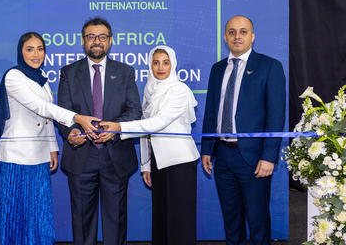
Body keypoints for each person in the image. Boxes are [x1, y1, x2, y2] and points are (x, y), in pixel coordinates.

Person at [0, 32, 99, 245]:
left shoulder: (41, 77)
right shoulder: (13, 76)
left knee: (38, 211)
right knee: (16, 213)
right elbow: (40, 107)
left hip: (40, 155)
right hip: (18, 157)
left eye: (40, 49)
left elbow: (46, 118)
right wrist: (76, 117)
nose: (36, 54)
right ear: (20, 52)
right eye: (29, 49)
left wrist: (52, 148)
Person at [101, 45, 200, 245]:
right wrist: (146, 165)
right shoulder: (150, 90)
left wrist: (119, 127)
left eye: (165, 62)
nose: (160, 67)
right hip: (158, 162)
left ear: (173, 65)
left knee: (180, 223)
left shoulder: (179, 90)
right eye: (156, 63)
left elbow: (158, 122)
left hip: (179, 163)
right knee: (161, 219)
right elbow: (147, 133)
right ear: (150, 65)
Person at [201, 15, 286, 245]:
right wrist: (207, 149)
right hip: (223, 155)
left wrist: (268, 157)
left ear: (252, 36)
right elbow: (211, 112)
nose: (237, 36)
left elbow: (276, 117)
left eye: (243, 31)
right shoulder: (217, 69)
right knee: (231, 220)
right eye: (231, 32)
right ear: (225, 37)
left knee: (257, 220)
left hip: (253, 158)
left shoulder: (270, 66)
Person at [57, 16, 142, 245]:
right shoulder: (68, 72)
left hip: (116, 155)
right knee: (82, 222)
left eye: (102, 36)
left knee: (115, 221)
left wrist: (114, 129)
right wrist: (73, 133)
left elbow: (135, 111)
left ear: (110, 40)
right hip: (80, 154)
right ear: (83, 41)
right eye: (91, 37)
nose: (97, 41)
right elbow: (64, 113)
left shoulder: (125, 72)